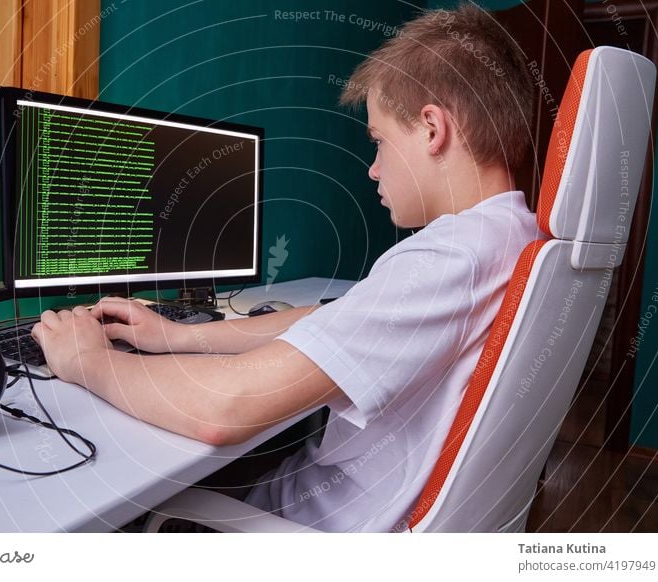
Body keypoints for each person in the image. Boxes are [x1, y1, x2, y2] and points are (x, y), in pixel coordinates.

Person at [31, 4, 541, 532]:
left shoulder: (448, 257)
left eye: (378, 141)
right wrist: (177, 338)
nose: (373, 167)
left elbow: (224, 410)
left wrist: (89, 361)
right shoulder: (511, 237)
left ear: (432, 128)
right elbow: (336, 320)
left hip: (312, 526)